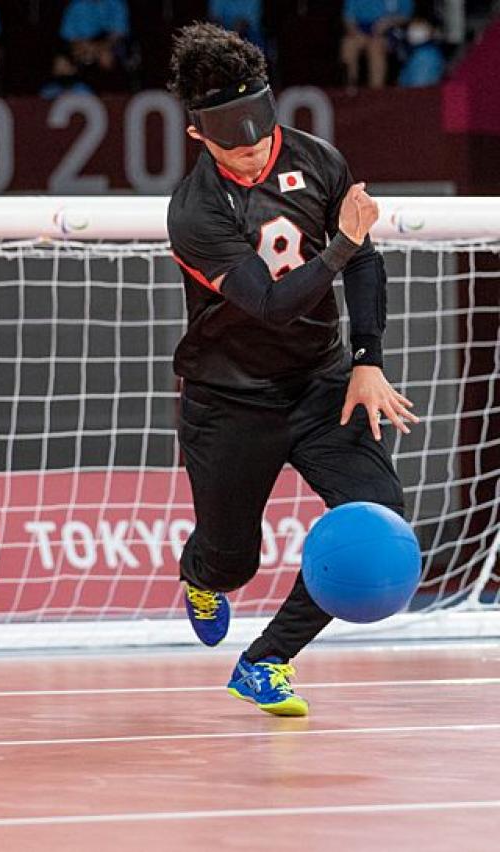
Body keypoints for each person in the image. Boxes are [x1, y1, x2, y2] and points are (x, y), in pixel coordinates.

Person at [166, 23, 418, 716]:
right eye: (231, 147)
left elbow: (367, 261)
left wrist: (368, 360)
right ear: (198, 135)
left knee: (376, 520)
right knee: (231, 561)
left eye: (258, 141)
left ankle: (266, 660)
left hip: (322, 381)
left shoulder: (319, 160)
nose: (249, 157)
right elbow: (274, 304)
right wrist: (340, 245)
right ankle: (201, 575)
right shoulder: (194, 212)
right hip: (229, 399)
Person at [53, 0, 130, 94]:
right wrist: (84, 48)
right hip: (83, 46)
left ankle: (108, 96)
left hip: (109, 47)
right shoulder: (76, 5)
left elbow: (118, 35)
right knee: (61, 64)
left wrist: (97, 49)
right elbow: (69, 37)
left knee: (106, 58)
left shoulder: (116, 3)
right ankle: (70, 92)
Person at [341, 0, 413, 89]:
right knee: (348, 44)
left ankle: (375, 90)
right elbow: (348, 18)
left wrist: (388, 22)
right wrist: (355, 32)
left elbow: (406, 16)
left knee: (376, 46)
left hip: (390, 31)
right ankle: (350, 87)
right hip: (361, 30)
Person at [397, 16, 445, 87]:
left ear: (432, 31)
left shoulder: (426, 55)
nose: (413, 31)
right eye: (412, 27)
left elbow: (419, 86)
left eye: (420, 27)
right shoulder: (416, 52)